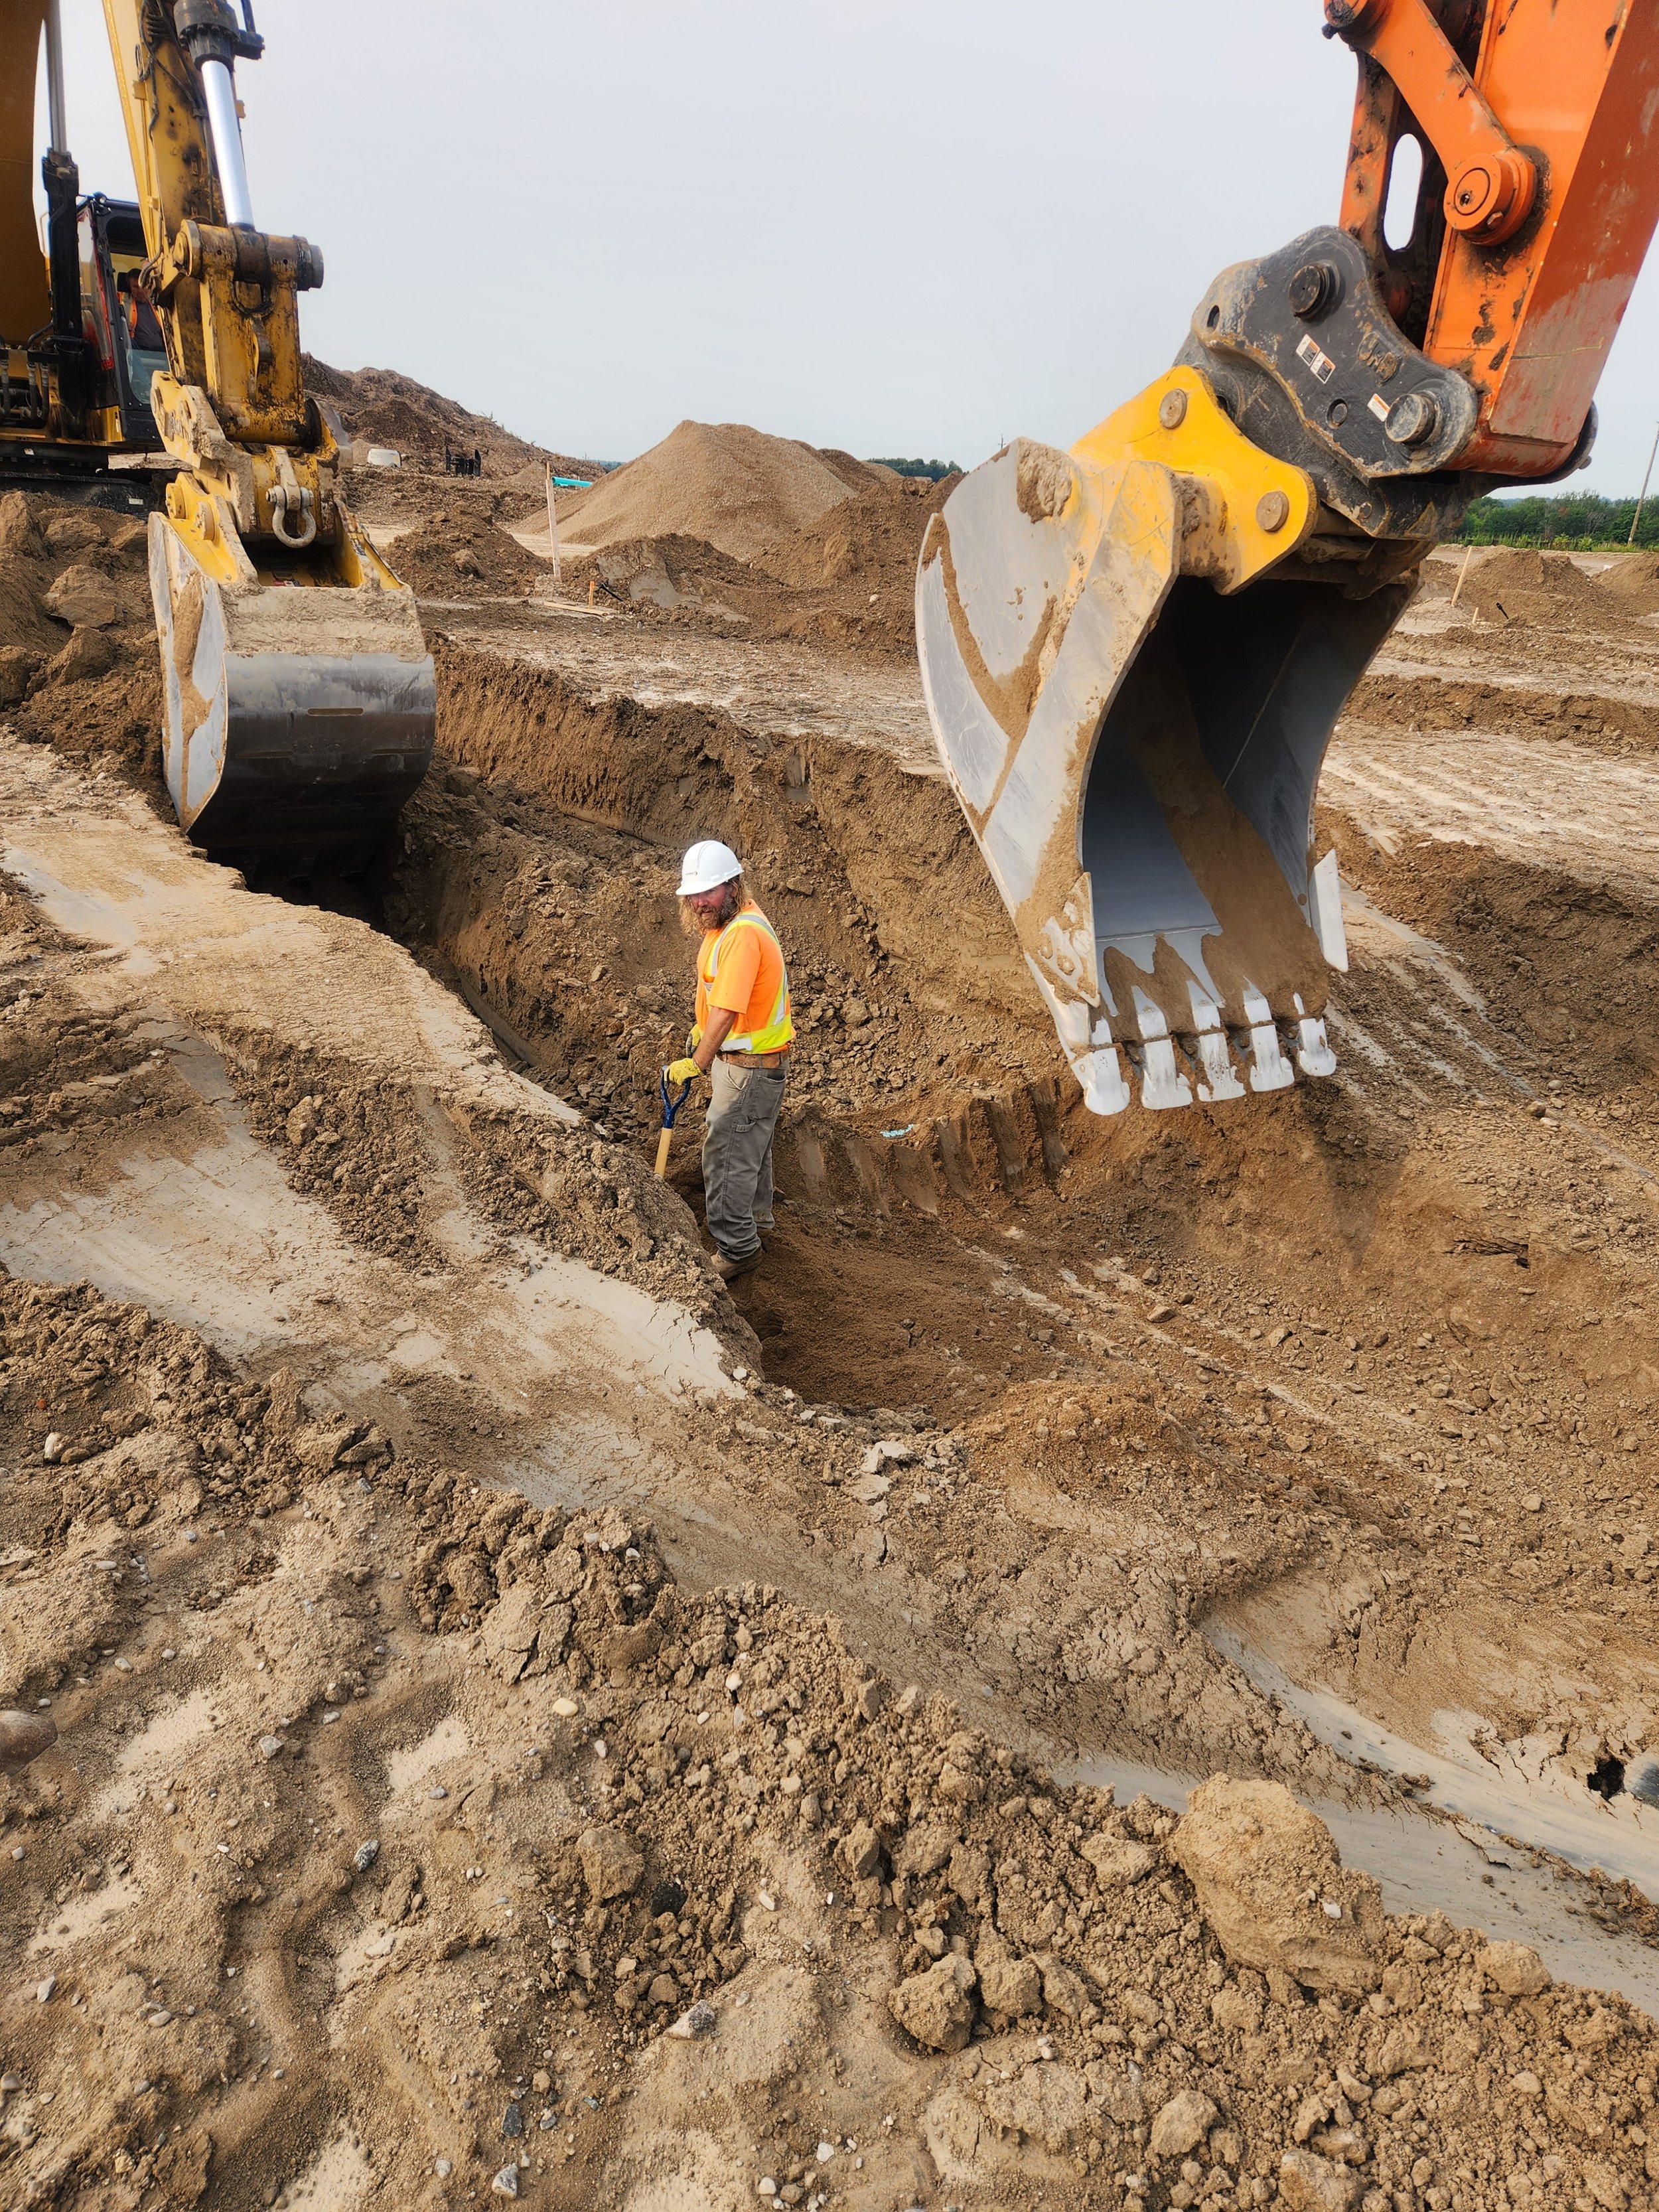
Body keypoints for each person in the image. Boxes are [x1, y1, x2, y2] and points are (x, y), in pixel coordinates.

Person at [664, 841, 793, 1282]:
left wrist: (697, 1061)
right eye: (694, 894)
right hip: (747, 1061)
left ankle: (738, 1247)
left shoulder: (742, 934)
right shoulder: (730, 923)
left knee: (727, 1154)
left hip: (749, 1068)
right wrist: (703, 1030)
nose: (700, 902)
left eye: (710, 891)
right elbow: (717, 998)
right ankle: (756, 1221)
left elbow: (727, 1010)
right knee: (749, 1144)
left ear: (733, 886)